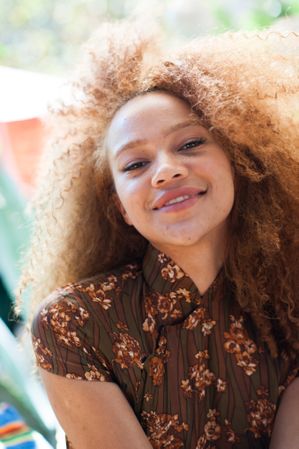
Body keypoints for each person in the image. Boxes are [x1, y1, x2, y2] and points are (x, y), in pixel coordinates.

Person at [18, 20, 299, 449]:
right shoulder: (74, 323)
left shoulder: (291, 297)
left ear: (239, 159)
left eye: (189, 144)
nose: (166, 170)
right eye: (135, 165)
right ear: (120, 207)